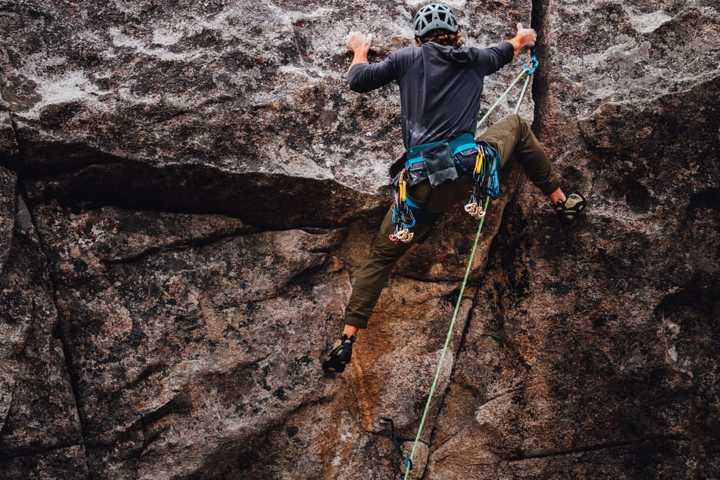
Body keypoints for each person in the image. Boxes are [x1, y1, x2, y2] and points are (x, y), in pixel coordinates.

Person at [322, 3, 586, 374]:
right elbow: (513, 45)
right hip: (467, 173)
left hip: (419, 187)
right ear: (455, 33)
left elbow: (358, 80)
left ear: (419, 38)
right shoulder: (475, 58)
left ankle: (347, 338)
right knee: (515, 126)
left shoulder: (406, 59)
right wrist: (525, 38)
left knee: (381, 257)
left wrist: (360, 50)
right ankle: (562, 200)